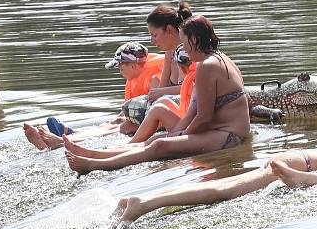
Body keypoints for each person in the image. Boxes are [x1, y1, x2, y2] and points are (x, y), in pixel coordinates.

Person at [112, 70, 317, 224]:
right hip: (302, 164)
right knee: (223, 191)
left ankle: (142, 201)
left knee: (226, 187)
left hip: (303, 161)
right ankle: (144, 204)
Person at [64, 15, 250, 175]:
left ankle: (94, 165)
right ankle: (95, 154)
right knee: (156, 139)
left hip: (229, 135)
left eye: (184, 43)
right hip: (218, 131)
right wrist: (175, 133)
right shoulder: (208, 62)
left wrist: (179, 136)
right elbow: (194, 110)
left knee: (161, 146)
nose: (183, 49)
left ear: (194, 39)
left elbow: (204, 117)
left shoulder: (209, 66)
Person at [23, 1, 192, 149]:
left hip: (181, 113)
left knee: (125, 125)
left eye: (154, 35)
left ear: (169, 30)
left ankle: (63, 141)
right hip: (167, 108)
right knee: (123, 122)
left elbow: (192, 90)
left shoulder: (187, 53)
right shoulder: (171, 54)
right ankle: (67, 138)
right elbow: (162, 89)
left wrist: (158, 94)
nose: (152, 41)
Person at [23, 42, 163, 149]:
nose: (119, 72)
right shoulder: (135, 78)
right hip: (137, 119)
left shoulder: (153, 80)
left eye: (121, 68)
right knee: (114, 121)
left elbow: (158, 107)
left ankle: (62, 142)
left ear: (133, 66)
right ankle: (70, 132)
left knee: (122, 125)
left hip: (149, 122)